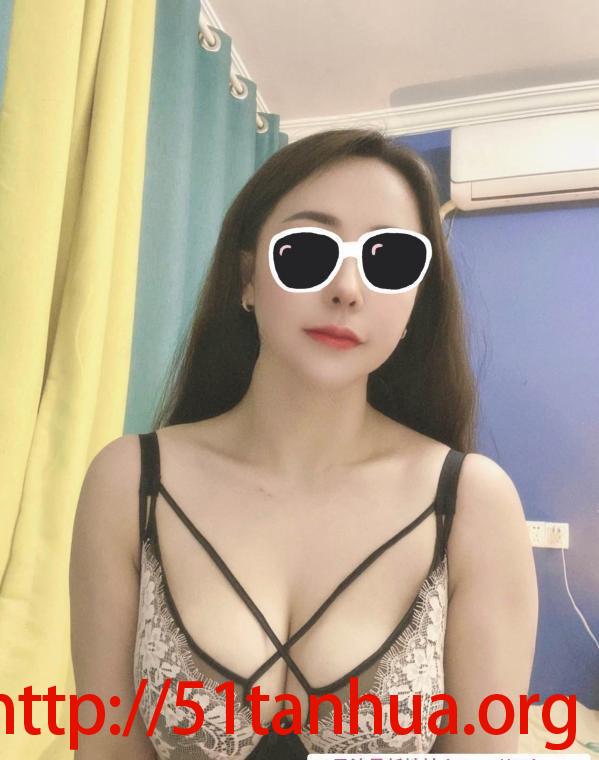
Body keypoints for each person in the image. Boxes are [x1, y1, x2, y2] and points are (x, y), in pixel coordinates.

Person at [69, 128, 538, 759]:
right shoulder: (130, 482)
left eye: (389, 260)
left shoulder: (472, 504)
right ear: (248, 276)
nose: (348, 287)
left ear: (413, 302)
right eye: (308, 249)